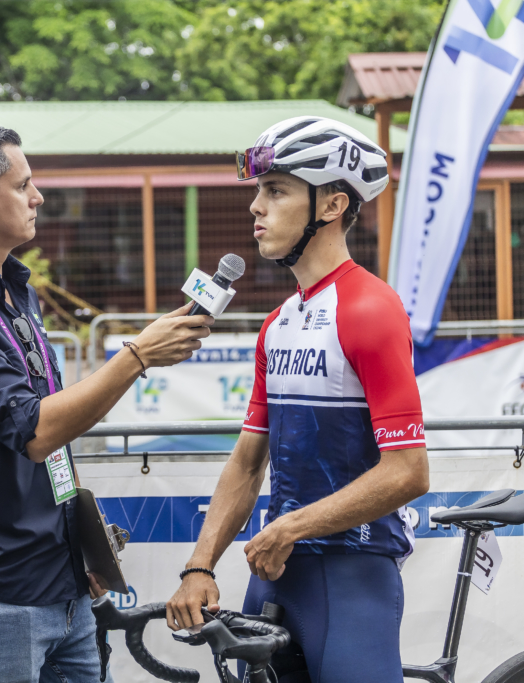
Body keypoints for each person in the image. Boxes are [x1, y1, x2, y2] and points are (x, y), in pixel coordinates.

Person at [0, 123, 213, 682]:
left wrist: (78, 548)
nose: (39, 198)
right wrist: (137, 356)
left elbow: (51, 433)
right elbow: (33, 431)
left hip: (60, 575)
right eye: (24, 185)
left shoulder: (15, 288)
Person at [164, 116, 431, 682]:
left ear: (332, 206)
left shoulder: (370, 309)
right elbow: (247, 461)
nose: (255, 206)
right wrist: (199, 565)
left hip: (350, 574)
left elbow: (408, 471)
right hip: (275, 574)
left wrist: (291, 527)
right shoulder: (279, 322)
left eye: (277, 190)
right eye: (260, 190)